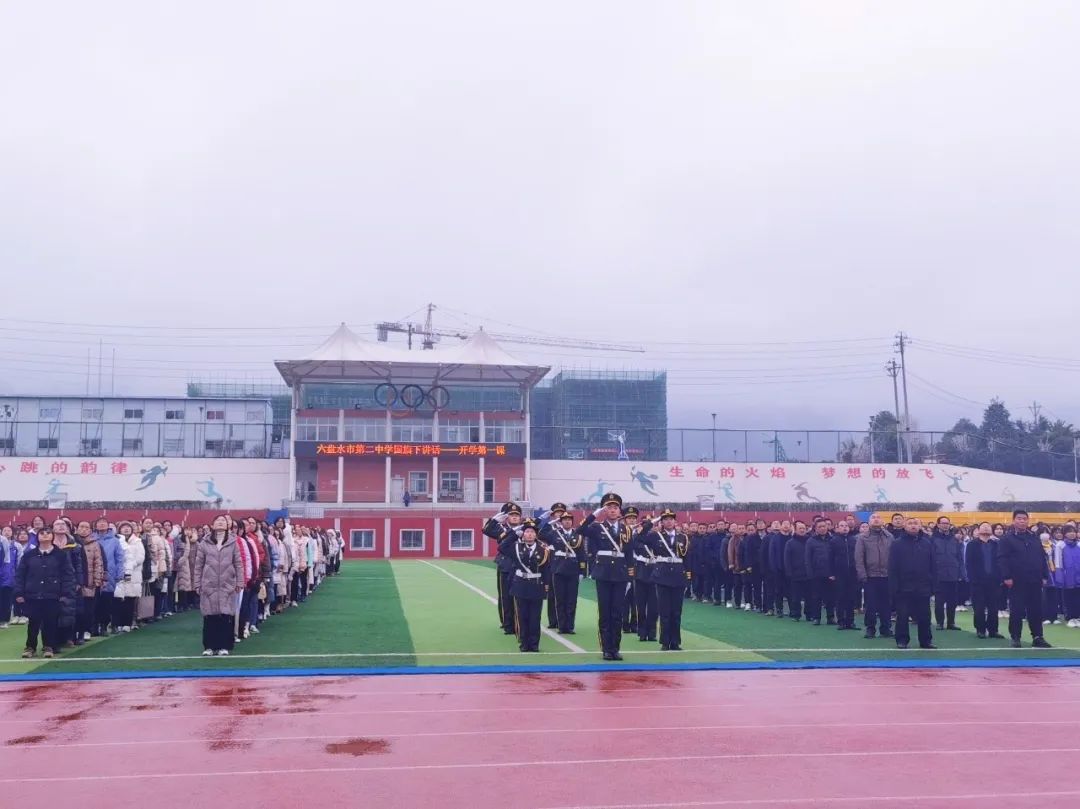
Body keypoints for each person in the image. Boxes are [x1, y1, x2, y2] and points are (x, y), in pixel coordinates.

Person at [581, 492, 634, 661]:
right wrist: (593, 515)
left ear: (620, 511)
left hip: (620, 573)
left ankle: (615, 648)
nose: (612, 510)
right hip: (603, 573)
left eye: (615, 507)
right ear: (604, 510)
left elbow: (629, 553)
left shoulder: (626, 529)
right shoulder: (597, 527)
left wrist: (630, 576)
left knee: (617, 613)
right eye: (609, 507)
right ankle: (606, 649)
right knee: (605, 613)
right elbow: (580, 530)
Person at [14, 528, 76, 659]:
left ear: (52, 536)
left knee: (50, 622)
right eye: (42, 533)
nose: (45, 535)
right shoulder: (29, 555)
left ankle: (49, 646)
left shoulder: (60, 555)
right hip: (32, 594)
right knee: (33, 622)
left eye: (48, 533)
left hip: (53, 594)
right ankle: (30, 647)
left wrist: (65, 592)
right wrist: (19, 592)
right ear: (37, 537)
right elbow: (20, 574)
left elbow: (67, 575)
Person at [636, 509, 690, 651]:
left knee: (676, 611)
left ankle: (675, 642)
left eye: (671, 519)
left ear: (675, 521)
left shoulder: (683, 537)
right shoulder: (655, 536)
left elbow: (688, 558)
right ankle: (665, 641)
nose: (668, 521)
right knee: (664, 611)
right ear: (662, 522)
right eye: (665, 519)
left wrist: (688, 576)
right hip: (662, 576)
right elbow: (639, 538)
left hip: (678, 575)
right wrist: (650, 523)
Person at [998, 509, 1052, 648]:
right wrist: (1007, 576)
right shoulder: (1007, 539)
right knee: (1017, 610)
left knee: (1036, 609)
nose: (1022, 521)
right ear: (1013, 520)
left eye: (1024, 519)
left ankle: (1038, 637)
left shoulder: (1034, 537)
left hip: (1035, 579)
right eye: (1019, 518)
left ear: (1028, 521)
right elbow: (1002, 559)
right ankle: (1016, 637)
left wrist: (1044, 575)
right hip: (1016, 580)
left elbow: (1041, 557)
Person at [194, 515, 245, 656]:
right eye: (218, 521)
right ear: (212, 524)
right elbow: (198, 565)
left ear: (228, 525)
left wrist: (240, 582)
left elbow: (238, 564)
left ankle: (224, 646)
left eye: (223, 521)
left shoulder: (233, 542)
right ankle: (209, 647)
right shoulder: (205, 542)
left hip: (227, 584)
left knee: (225, 616)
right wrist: (197, 583)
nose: (221, 522)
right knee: (209, 616)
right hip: (209, 584)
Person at [498, 519, 550, 652]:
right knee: (522, 616)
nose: (529, 534)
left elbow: (546, 569)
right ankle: (524, 644)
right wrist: (515, 534)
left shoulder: (543, 550)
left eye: (532, 532)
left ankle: (534, 644)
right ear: (523, 534)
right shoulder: (516, 548)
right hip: (520, 586)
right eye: (527, 532)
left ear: (536, 535)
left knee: (535, 617)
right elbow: (502, 547)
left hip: (536, 586)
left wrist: (547, 585)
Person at [889, 517, 936, 650]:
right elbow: (892, 567)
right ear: (905, 526)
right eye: (910, 523)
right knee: (902, 616)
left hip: (923, 586)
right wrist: (894, 586)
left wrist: (933, 585)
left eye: (916, 523)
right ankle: (902, 640)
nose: (913, 526)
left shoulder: (927, 543)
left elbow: (933, 566)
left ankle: (926, 641)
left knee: (925, 616)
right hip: (903, 587)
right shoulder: (897, 544)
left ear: (920, 526)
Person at [483, 502, 524, 636]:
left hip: (521, 566)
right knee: (505, 596)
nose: (514, 517)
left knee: (521, 597)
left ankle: (521, 623)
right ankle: (507, 624)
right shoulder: (501, 529)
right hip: (505, 565)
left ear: (520, 517)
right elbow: (486, 530)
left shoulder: (526, 529)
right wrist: (494, 519)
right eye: (511, 515)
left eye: (517, 515)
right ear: (507, 517)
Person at [544, 510, 584, 635]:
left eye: (569, 519)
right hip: (558, 569)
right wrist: (551, 522)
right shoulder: (554, 534)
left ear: (572, 522)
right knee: (560, 599)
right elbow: (541, 534)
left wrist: (582, 571)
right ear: (561, 522)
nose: (567, 521)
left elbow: (581, 554)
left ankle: (570, 626)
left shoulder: (578, 535)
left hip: (573, 570)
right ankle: (562, 626)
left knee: (571, 600)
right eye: (564, 520)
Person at [855, 513, 894, 639]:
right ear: (869, 521)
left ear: (882, 521)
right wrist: (862, 575)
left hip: (887, 576)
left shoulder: (889, 537)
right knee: (870, 605)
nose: (876, 519)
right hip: (870, 577)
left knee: (886, 605)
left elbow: (894, 557)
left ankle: (885, 628)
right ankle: (870, 628)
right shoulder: (862, 537)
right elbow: (859, 558)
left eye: (878, 517)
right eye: (873, 517)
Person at [965, 521, 1004, 639]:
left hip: (994, 581)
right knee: (979, 607)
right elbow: (969, 563)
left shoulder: (996, 544)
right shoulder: (972, 545)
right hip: (977, 581)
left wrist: (1000, 577)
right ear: (979, 530)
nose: (986, 528)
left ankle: (993, 630)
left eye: (988, 527)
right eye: (983, 527)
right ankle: (980, 629)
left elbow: (1000, 562)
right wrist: (972, 578)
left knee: (993, 607)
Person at [931, 516, 964, 631]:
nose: (945, 525)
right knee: (939, 600)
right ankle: (940, 622)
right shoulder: (932, 539)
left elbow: (960, 557)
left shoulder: (955, 539)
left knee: (952, 601)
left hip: (953, 574)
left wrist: (961, 573)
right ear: (938, 524)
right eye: (943, 523)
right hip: (938, 574)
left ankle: (951, 623)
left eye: (947, 523)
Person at [92, 518, 124, 635]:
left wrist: (120, 573)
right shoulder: (91, 539)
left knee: (107, 601)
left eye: (104, 523)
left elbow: (119, 558)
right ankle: (94, 626)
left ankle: (105, 625)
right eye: (99, 523)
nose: (101, 524)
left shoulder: (114, 541)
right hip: (94, 573)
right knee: (95, 602)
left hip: (110, 573)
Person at [74, 520, 105, 642]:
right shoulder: (72, 542)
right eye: (81, 526)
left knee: (88, 608)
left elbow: (99, 562)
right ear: (77, 528)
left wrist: (98, 579)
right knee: (77, 608)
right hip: (76, 580)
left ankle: (86, 629)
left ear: (91, 530)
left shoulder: (95, 544)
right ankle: (75, 631)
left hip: (90, 580)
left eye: (87, 527)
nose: (84, 529)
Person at [113, 522, 146, 633]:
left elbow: (140, 557)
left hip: (133, 574)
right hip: (119, 573)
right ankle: (117, 623)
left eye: (128, 527)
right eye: (123, 527)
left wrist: (130, 565)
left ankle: (127, 623)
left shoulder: (137, 542)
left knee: (130, 599)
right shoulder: (117, 541)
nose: (126, 529)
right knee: (118, 600)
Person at [829, 519, 859, 630]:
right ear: (837, 528)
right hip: (839, 573)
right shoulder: (833, 541)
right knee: (840, 598)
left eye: (846, 525)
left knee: (851, 598)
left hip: (852, 573)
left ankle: (850, 621)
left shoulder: (854, 540)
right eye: (842, 525)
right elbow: (830, 558)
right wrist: (831, 573)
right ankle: (841, 621)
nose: (844, 527)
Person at [804, 518, 834, 626]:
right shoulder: (811, 541)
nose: (822, 528)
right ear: (815, 529)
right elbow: (807, 559)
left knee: (830, 597)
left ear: (827, 527)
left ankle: (830, 618)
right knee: (816, 597)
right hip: (816, 574)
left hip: (830, 574)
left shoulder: (832, 539)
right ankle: (816, 618)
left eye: (824, 526)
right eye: (820, 527)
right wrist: (810, 574)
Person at [783, 520, 811, 621]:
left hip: (809, 574)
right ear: (795, 530)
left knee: (810, 597)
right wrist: (789, 572)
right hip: (795, 574)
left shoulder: (810, 541)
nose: (802, 530)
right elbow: (787, 559)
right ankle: (796, 614)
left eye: (804, 528)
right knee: (795, 597)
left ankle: (809, 615)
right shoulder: (790, 543)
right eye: (800, 528)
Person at [1062, 527, 1080, 628]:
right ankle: (1070, 617)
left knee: (1078, 596)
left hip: (1078, 574)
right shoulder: (1061, 545)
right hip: (1067, 575)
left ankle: (1077, 617)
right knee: (1069, 596)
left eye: (1074, 531)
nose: (1072, 534)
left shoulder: (1079, 544)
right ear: (1065, 533)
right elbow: (1058, 561)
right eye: (1069, 532)